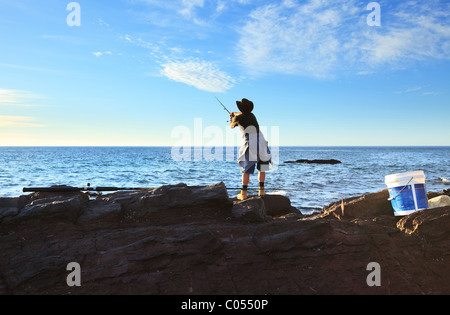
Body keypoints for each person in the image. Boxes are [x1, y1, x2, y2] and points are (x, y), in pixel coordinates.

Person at [230, 98, 272, 200]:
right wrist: (234, 114)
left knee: (246, 168)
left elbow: (231, 126)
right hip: (261, 141)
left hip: (251, 142)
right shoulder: (252, 115)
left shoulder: (238, 119)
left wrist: (232, 118)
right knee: (262, 168)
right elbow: (243, 113)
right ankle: (261, 191)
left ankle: (243, 194)